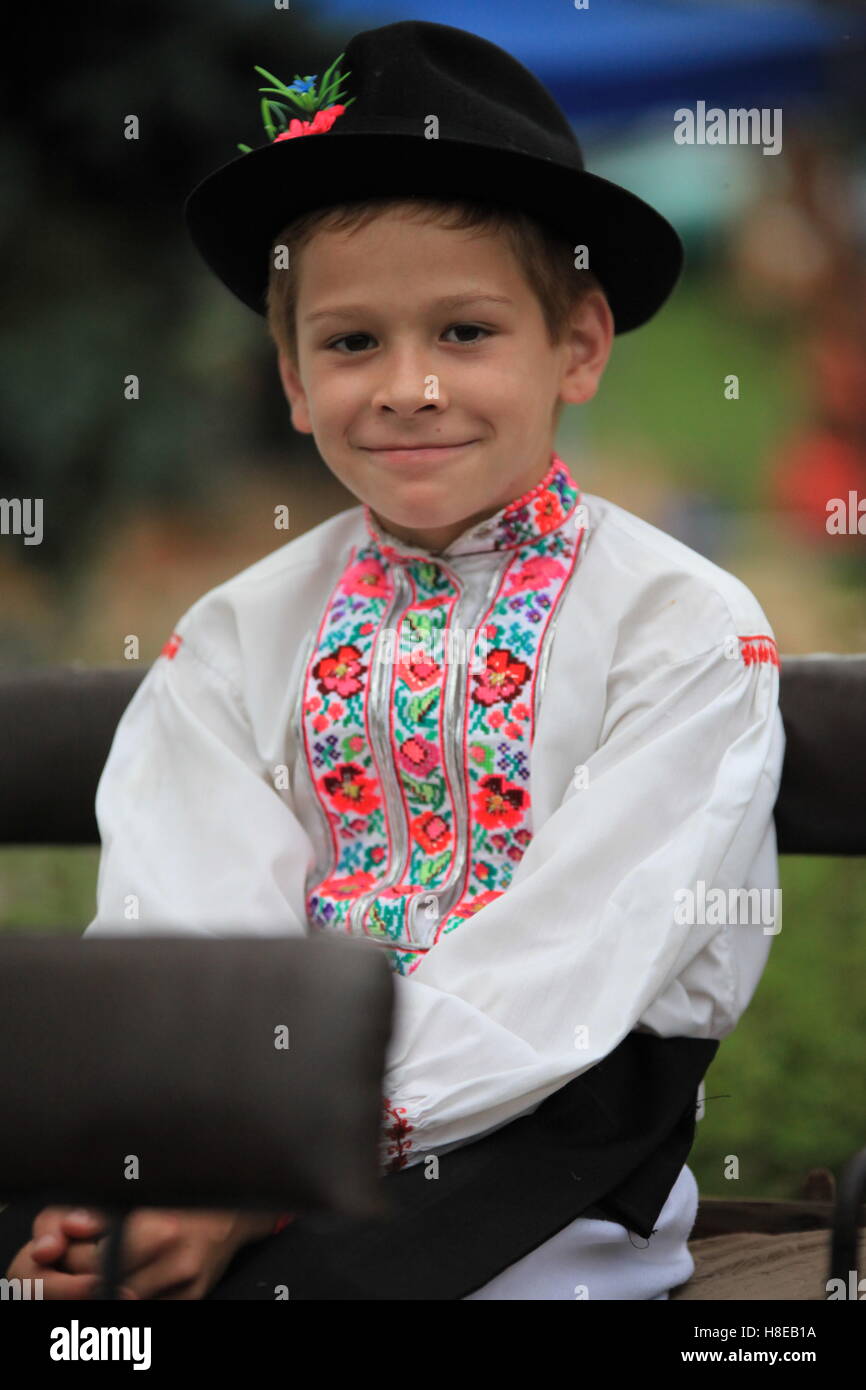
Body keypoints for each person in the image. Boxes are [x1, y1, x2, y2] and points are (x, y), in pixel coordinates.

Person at [3, 20, 785, 1300]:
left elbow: (567, 968)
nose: (407, 387)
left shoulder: (680, 628)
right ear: (294, 380)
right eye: (352, 342)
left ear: (576, 347)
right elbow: (191, 929)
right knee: (65, 1273)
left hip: (546, 1139)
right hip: (241, 1128)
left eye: (466, 332)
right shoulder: (235, 636)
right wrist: (182, 1163)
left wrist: (265, 1182)